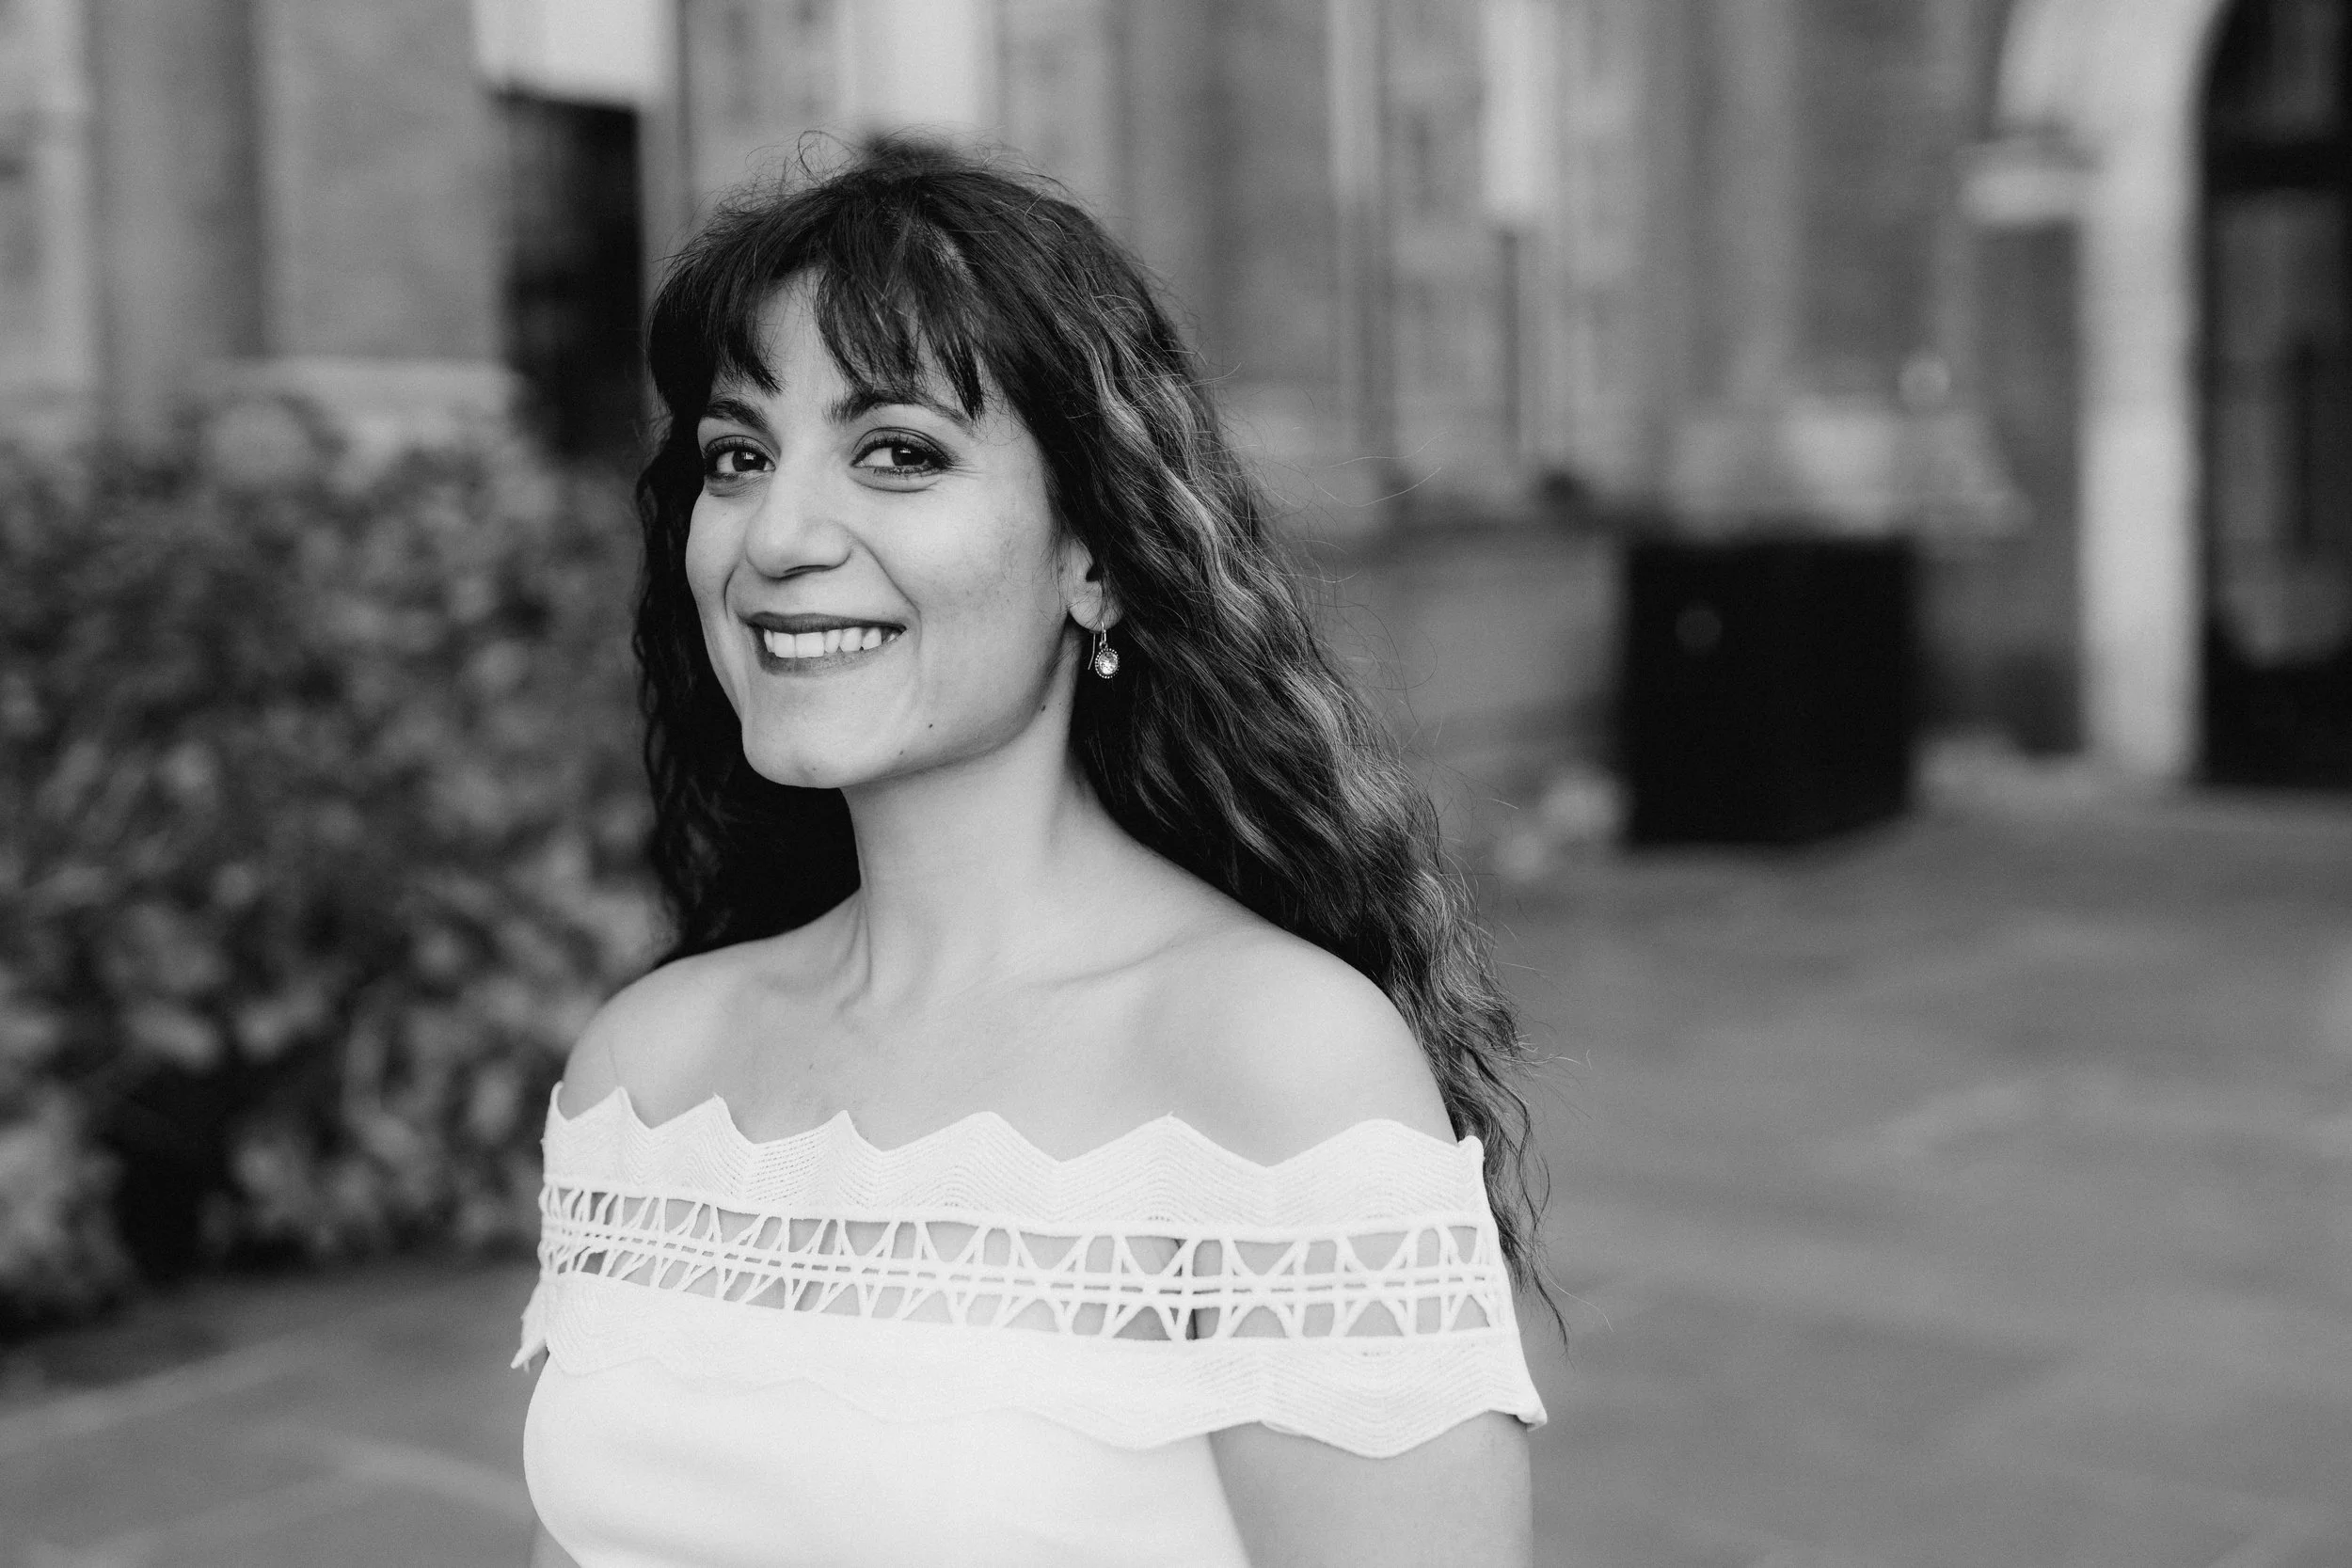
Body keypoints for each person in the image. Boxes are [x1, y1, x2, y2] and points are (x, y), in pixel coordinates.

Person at [516, 139, 1549, 1568]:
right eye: (738, 457)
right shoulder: (648, 1066)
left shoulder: (1273, 1063)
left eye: (899, 452)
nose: (779, 535)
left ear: (1096, 557)